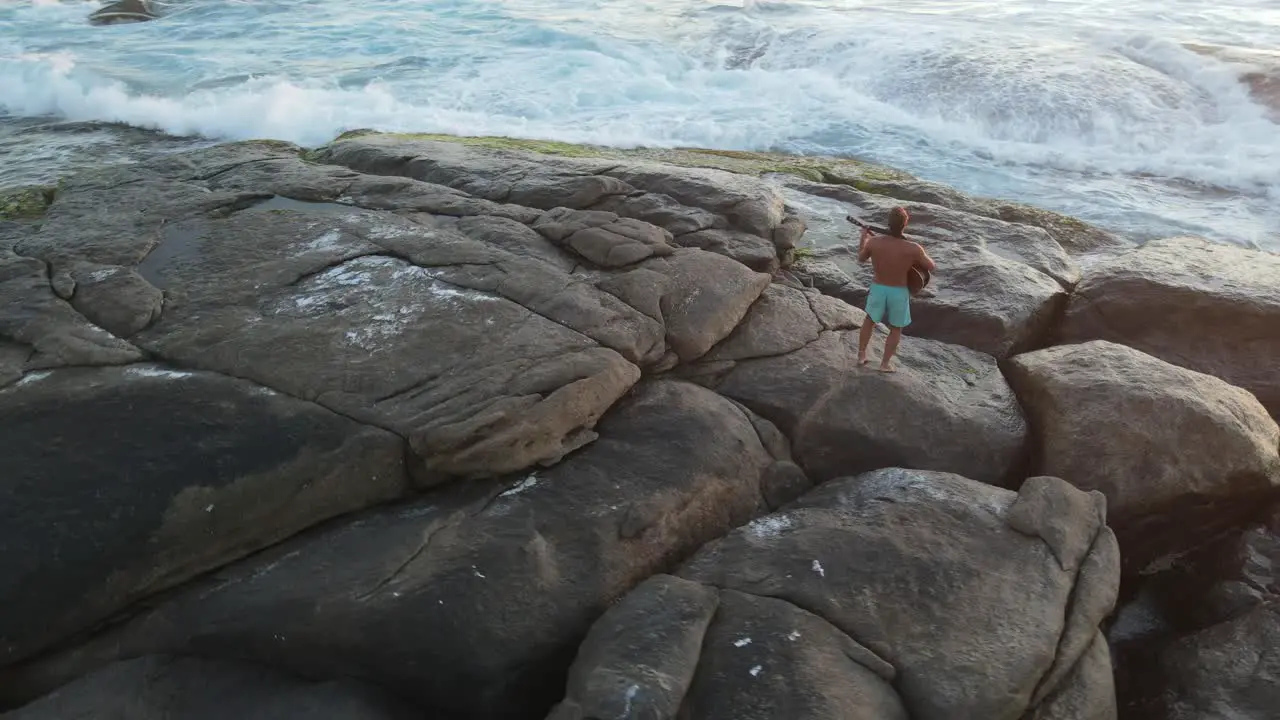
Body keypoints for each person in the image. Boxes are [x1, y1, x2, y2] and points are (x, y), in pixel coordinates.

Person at [855, 207, 935, 372]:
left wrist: (863, 238)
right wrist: (916, 255)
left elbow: (861, 259)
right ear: (905, 224)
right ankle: (884, 364)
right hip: (898, 292)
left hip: (878, 288)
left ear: (888, 223)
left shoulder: (874, 242)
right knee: (896, 327)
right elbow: (931, 266)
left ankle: (861, 356)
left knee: (869, 320)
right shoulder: (913, 248)